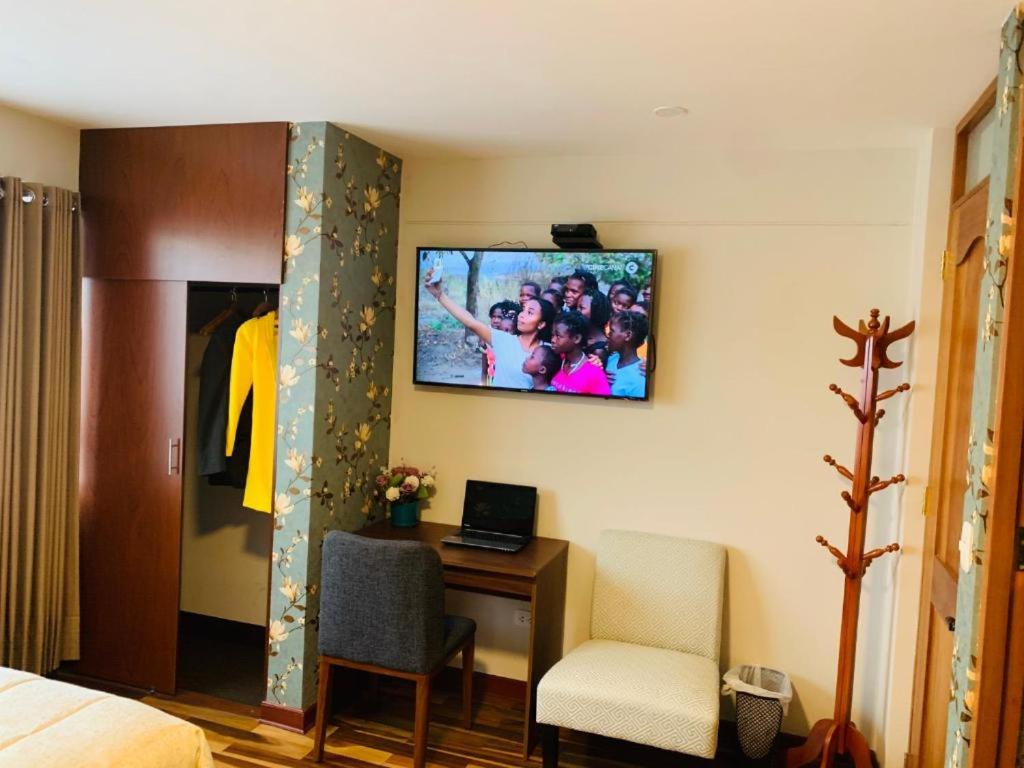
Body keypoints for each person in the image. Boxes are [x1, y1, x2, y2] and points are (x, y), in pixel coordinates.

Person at [425, 276, 554, 389]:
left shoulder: (549, 352)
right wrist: (439, 295)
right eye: (523, 310)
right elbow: (470, 322)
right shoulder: (503, 340)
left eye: (530, 312)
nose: (521, 315)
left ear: (541, 324)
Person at [550, 311, 611, 396]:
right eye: (552, 335)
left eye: (558, 336)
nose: (553, 340)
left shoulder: (594, 373)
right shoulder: (557, 359)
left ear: (577, 338)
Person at [605, 310, 649, 398]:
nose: (608, 334)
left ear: (628, 335)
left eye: (612, 331)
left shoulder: (639, 378)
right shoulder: (613, 358)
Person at [578, 288, 611, 364]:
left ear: (596, 311)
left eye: (581, 308)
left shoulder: (598, 350)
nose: (577, 311)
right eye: (577, 307)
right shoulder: (583, 335)